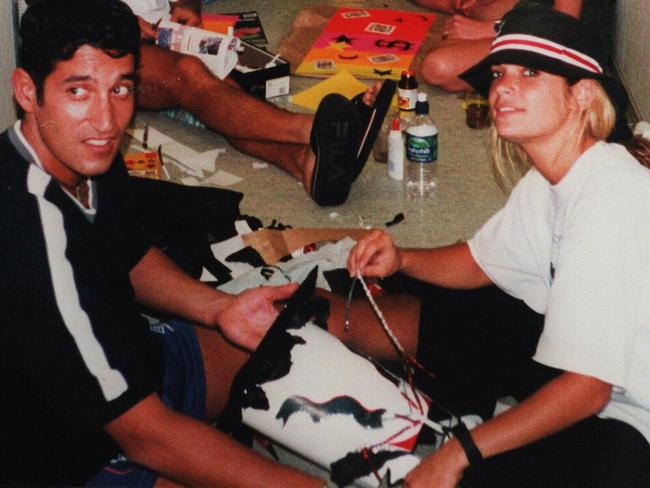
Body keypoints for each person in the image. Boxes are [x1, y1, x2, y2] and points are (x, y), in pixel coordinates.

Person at [1, 0, 330, 485]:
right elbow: (147, 435)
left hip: (133, 366)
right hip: (70, 455)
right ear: (27, 92)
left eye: (121, 89)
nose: (106, 120)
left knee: (311, 314)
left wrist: (220, 308)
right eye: (79, 91)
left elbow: (127, 253)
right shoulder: (29, 235)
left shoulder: (76, 146)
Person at [346, 4, 650, 487]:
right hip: (600, 382)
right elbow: (479, 261)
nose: (503, 87)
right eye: (499, 73)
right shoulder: (552, 177)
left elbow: (588, 391)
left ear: (581, 96)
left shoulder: (611, 195)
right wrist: (402, 258)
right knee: (479, 308)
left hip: (634, 418)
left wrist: (457, 455)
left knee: (473, 477)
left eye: (530, 73)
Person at [118, 0, 395, 206]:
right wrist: (118, 19)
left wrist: (186, 3)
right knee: (189, 75)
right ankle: (314, 129)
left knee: (221, 95)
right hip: (104, 45)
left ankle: (303, 163)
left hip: (164, 32)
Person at [413, 0, 582, 91]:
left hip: (561, 36)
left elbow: (564, 24)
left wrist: (491, 28)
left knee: (438, 67)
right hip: (532, 8)